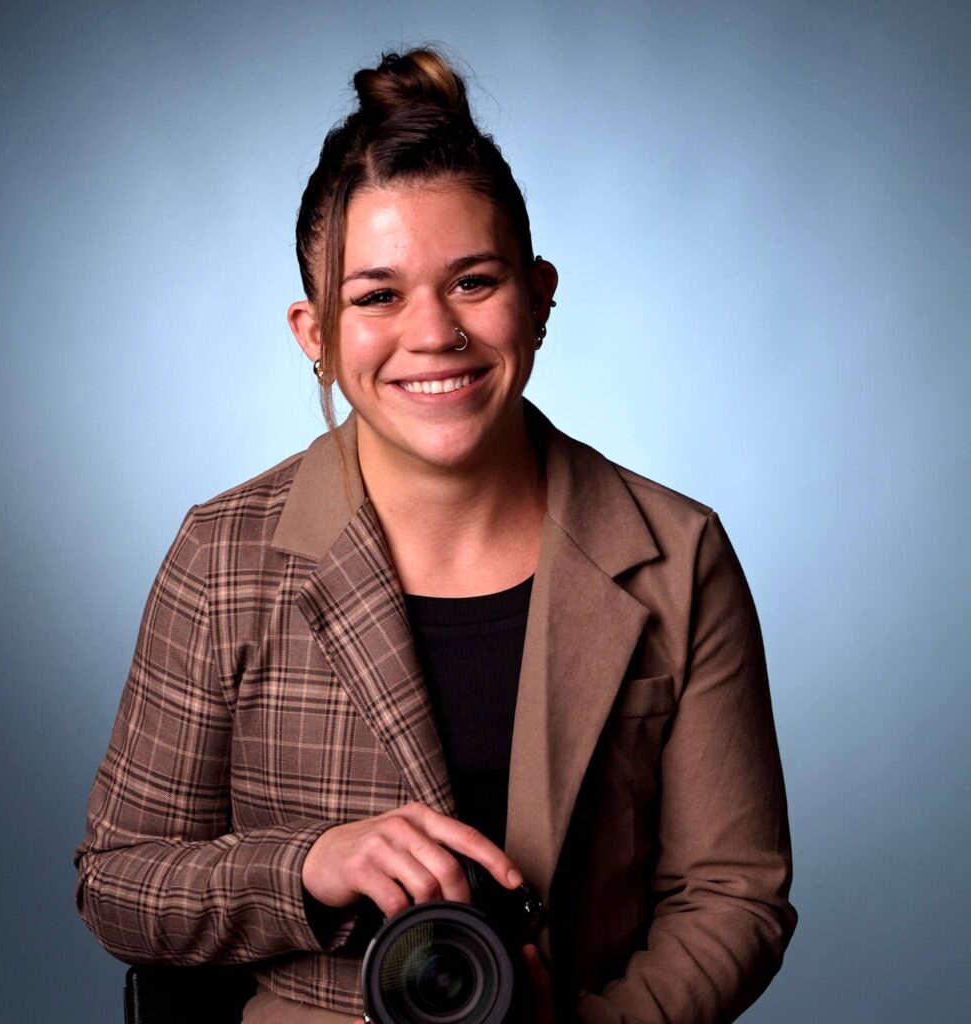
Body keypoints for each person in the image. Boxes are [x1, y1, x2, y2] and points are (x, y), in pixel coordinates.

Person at [75, 47, 796, 1024]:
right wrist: (311, 862)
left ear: (538, 297)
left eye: (472, 282)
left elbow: (733, 894)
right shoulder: (222, 555)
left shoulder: (679, 552)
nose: (433, 333)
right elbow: (118, 882)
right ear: (315, 332)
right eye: (376, 295)